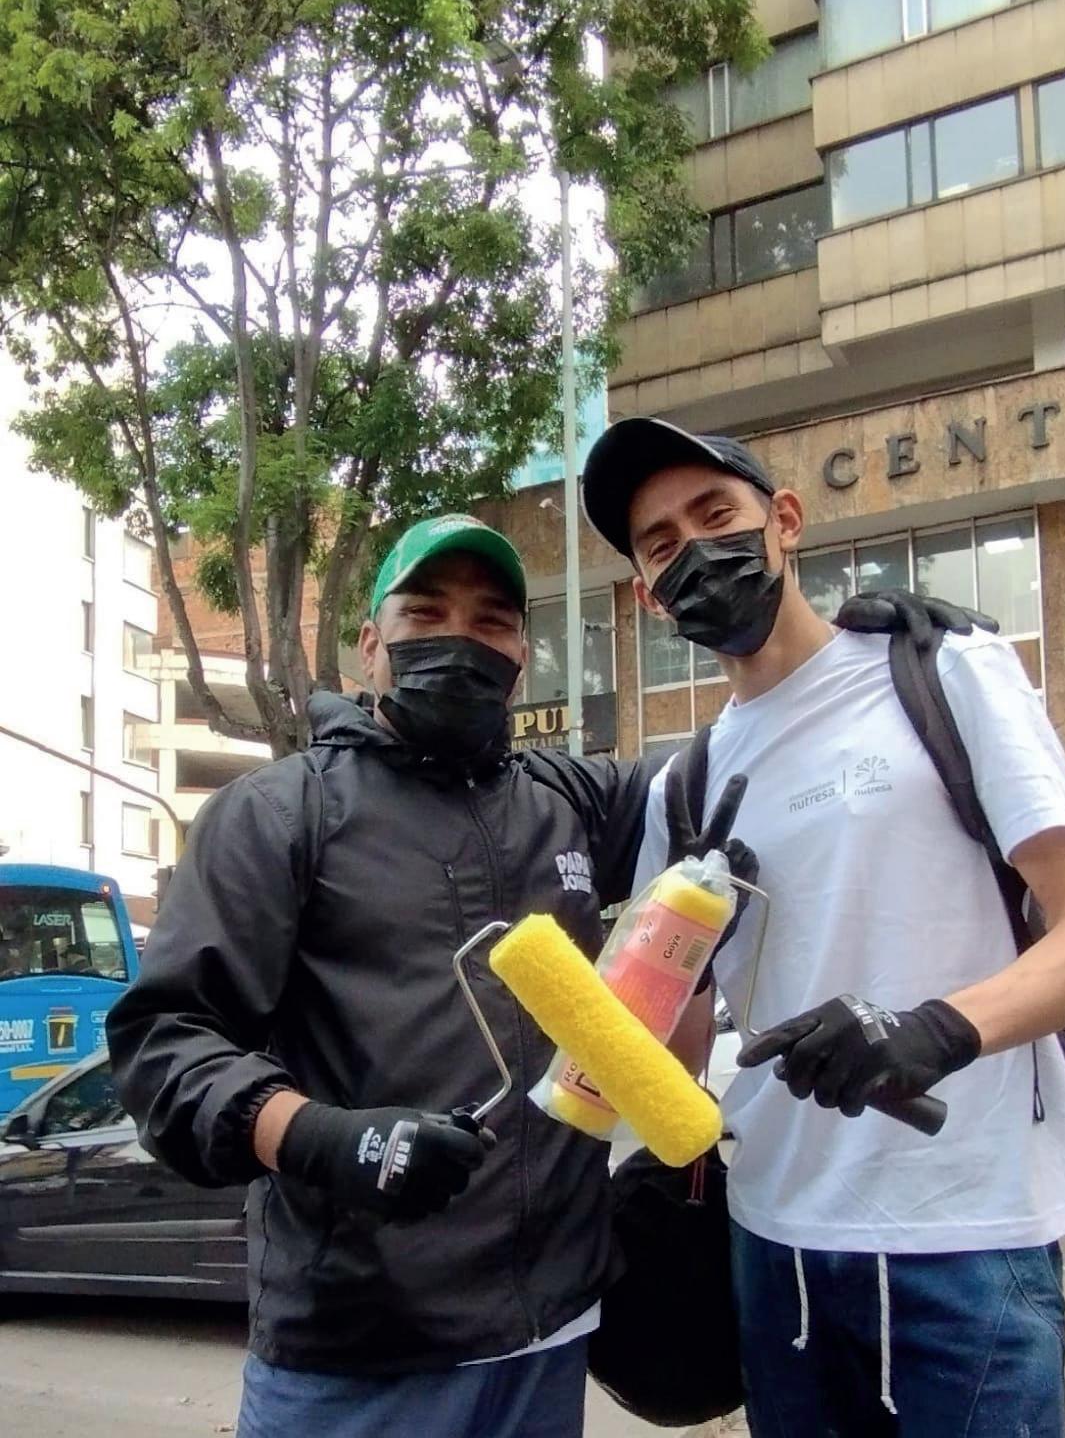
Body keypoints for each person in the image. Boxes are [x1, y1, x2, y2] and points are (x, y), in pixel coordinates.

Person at [581, 418, 1065, 1438]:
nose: (695, 550)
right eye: (661, 544)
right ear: (648, 595)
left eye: (717, 515)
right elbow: (674, 1061)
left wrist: (927, 1030)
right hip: (771, 1243)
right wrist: (648, 967)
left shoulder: (944, 670)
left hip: (965, 1234)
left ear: (785, 521)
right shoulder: (684, 786)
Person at [106, 514, 661, 1438]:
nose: (459, 639)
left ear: (522, 655)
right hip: (358, 1358)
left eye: (491, 622)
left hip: (548, 1340)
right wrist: (322, 1138)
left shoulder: (571, 801)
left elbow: (736, 778)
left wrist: (854, 656)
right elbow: (162, 1044)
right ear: (369, 645)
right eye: (425, 614)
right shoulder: (279, 812)